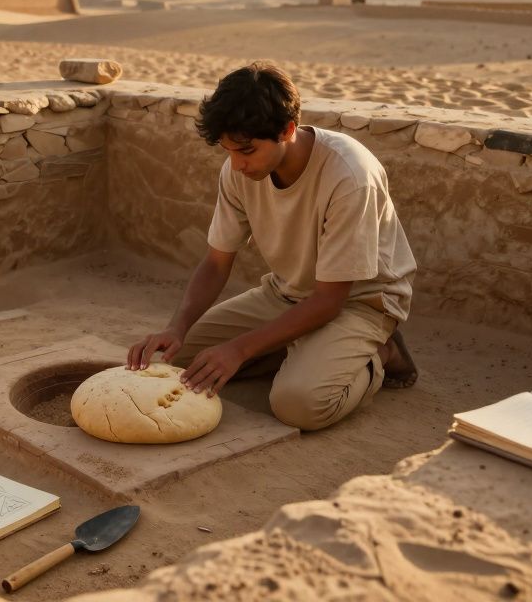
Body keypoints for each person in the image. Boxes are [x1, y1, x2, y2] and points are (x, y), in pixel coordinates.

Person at [126, 61, 418, 431]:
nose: (237, 164)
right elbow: (217, 263)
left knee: (298, 406)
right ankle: (299, 348)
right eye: (228, 151)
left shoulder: (349, 176)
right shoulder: (237, 169)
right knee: (176, 362)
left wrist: (241, 348)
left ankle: (378, 354)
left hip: (358, 302)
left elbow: (330, 300)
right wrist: (177, 328)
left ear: (287, 130)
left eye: (246, 151)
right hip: (287, 294)